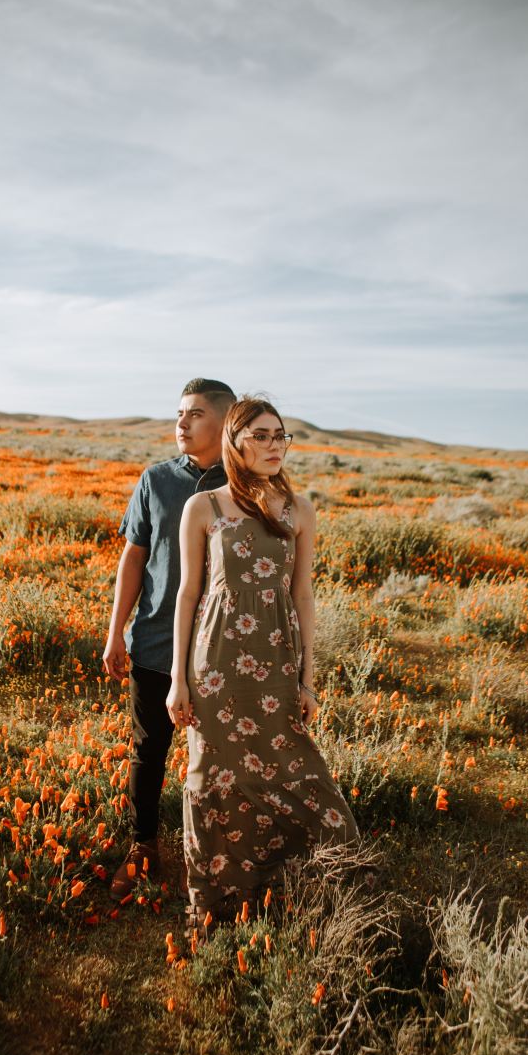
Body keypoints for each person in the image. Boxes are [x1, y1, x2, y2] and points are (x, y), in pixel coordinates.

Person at [167, 395, 359, 927]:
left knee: (295, 770)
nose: (275, 446)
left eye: (281, 436)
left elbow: (303, 596)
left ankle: (298, 878)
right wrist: (177, 679)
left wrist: (308, 679)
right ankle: (218, 900)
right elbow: (188, 595)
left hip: (275, 661)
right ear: (235, 442)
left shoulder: (298, 510)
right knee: (213, 777)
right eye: (262, 435)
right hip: (215, 663)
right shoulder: (204, 507)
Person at [103, 377, 236, 900]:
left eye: (196, 413)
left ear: (224, 424)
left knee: (222, 758)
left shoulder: (245, 485)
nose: (182, 422)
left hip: (223, 648)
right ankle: (143, 846)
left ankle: (221, 852)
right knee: (148, 750)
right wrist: (117, 632)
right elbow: (133, 558)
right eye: (180, 412)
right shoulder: (156, 480)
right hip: (155, 641)